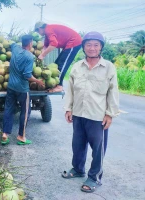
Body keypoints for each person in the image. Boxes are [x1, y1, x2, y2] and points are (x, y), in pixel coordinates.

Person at [62, 32, 119, 193]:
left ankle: (95, 177)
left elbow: (113, 92)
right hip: (79, 113)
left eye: (96, 45)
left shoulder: (108, 67)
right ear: (83, 47)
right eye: (88, 45)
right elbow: (71, 90)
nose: (92, 48)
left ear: (101, 47)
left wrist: (110, 114)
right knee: (77, 145)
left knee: (98, 148)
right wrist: (68, 108)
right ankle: (78, 169)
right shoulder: (77, 66)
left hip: (97, 115)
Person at [1, 35, 44, 145]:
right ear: (30, 43)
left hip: (10, 86)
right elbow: (27, 76)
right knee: (25, 112)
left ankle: (5, 135)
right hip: (22, 89)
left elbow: (11, 43)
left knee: (8, 109)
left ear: (22, 42)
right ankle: (21, 136)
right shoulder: (29, 56)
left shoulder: (15, 48)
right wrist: (38, 81)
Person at [34, 21, 82, 92]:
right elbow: (46, 46)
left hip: (74, 42)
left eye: (37, 31)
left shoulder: (48, 29)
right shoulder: (47, 33)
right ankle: (55, 83)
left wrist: (43, 55)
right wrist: (41, 55)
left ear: (40, 28)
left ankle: (59, 86)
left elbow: (54, 44)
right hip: (68, 44)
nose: (38, 33)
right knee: (56, 64)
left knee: (62, 64)